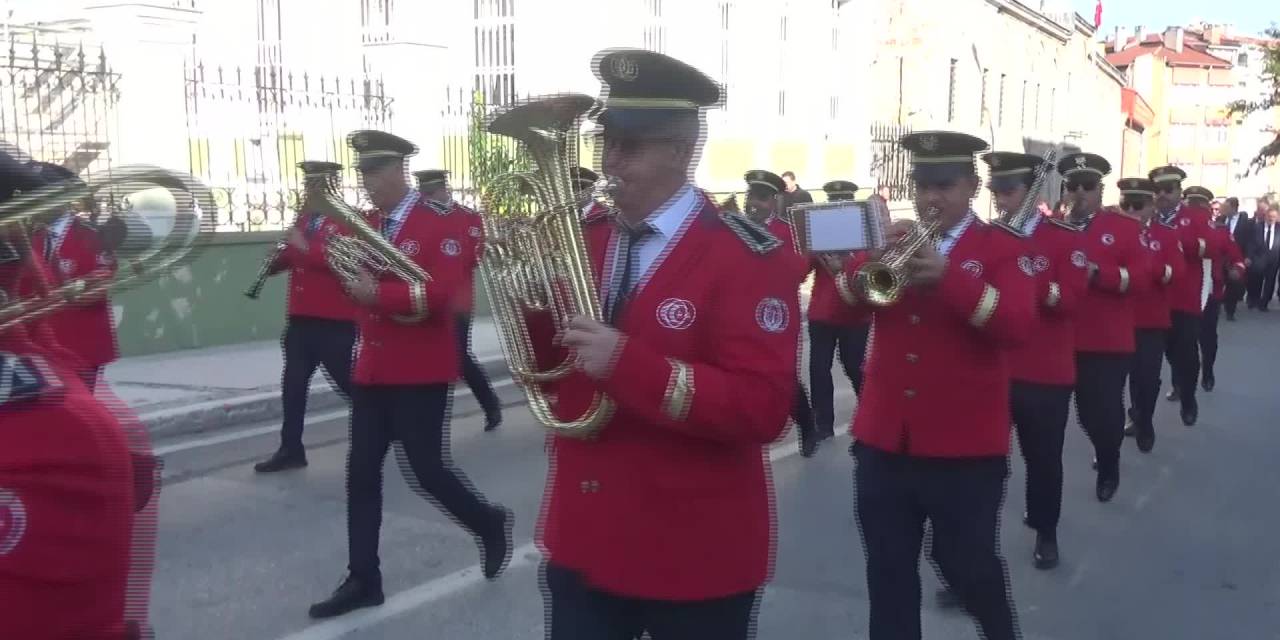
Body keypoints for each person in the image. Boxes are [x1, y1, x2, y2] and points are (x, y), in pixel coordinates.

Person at [528, 49, 804, 639]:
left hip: (692, 555)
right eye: (607, 144)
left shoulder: (748, 256)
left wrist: (627, 362)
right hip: (583, 539)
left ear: (680, 151)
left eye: (631, 147)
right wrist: (525, 302)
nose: (611, 162)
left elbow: (762, 409)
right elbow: (555, 368)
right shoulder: (585, 238)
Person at [307, 130, 512, 619]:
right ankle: (363, 578)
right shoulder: (366, 224)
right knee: (361, 473)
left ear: (400, 169)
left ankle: (487, 522)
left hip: (421, 367)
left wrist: (379, 296)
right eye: (363, 174)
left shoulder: (445, 221)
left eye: (376, 172)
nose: (368, 183)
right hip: (374, 366)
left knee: (426, 472)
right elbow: (333, 264)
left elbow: (442, 294)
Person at [839, 130, 1032, 640]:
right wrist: (865, 259)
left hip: (964, 449)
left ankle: (1000, 631)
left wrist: (950, 278)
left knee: (968, 566)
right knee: (887, 576)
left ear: (971, 185)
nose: (931, 198)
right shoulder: (898, 242)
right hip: (884, 442)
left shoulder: (1002, 248)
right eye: (923, 185)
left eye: (944, 185)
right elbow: (844, 305)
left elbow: (1016, 326)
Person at [0, 150, 139, 639]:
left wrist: (69, 289)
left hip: (77, 337)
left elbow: (100, 278)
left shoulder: (82, 234)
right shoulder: (37, 237)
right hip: (50, 336)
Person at [980, 151, 1086, 570]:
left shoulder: (1063, 238)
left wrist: (1025, 273)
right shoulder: (986, 239)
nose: (1002, 200)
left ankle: (1046, 530)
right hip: (994, 370)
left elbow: (1070, 300)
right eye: (996, 191)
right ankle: (971, 552)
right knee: (980, 465)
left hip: (1045, 373)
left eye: (1009, 191)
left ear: (1030, 193)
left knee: (1043, 460)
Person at [254, 161, 358, 473]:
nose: (309, 191)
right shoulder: (306, 219)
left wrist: (302, 246)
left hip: (334, 319)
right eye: (308, 185)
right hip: (301, 318)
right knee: (294, 386)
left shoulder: (346, 220)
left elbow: (342, 259)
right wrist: (276, 260)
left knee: (348, 384)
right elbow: (293, 255)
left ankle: (390, 422)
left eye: (316, 185)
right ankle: (291, 448)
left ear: (330, 187)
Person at [1063, 153, 1144, 502]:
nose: (1080, 192)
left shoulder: (1123, 229)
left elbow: (1141, 277)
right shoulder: (1054, 228)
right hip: (1064, 338)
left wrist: (1102, 275)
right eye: (1073, 186)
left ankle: (1109, 464)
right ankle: (1104, 447)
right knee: (1084, 414)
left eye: (1088, 186)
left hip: (1108, 340)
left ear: (1100, 189)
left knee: (1105, 411)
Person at [415, 168, 504, 431]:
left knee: (456, 357)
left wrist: (443, 248)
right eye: (425, 194)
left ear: (445, 189)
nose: (429, 198)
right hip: (423, 300)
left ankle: (490, 404)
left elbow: (474, 258)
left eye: (433, 193)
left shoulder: (467, 217)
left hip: (457, 302)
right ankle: (423, 420)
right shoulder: (417, 217)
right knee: (426, 358)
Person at [742, 169, 820, 456]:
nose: (754, 203)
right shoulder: (733, 226)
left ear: (774, 201)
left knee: (780, 372)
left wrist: (768, 253)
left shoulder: (788, 232)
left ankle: (806, 421)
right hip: (739, 309)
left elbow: (800, 270)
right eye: (751, 196)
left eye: (762, 198)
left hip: (775, 313)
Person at [26, 162, 118, 391]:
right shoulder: (29, 237)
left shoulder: (92, 235)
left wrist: (56, 278)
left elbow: (95, 290)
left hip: (81, 344)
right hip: (41, 347)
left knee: (79, 408)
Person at [1122, 178, 1182, 454]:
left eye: (1138, 205)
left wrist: (1153, 268)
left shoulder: (1167, 234)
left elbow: (1177, 272)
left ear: (1151, 206)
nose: (1132, 210)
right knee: (1115, 382)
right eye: (1127, 204)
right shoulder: (1113, 232)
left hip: (1151, 320)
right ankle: (1118, 430)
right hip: (1118, 320)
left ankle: (1144, 419)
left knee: (1147, 377)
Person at [807, 180, 870, 437]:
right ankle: (823, 424)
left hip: (853, 314)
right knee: (818, 369)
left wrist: (844, 265)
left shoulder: (864, 236)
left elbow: (866, 272)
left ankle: (870, 415)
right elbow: (801, 270)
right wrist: (810, 251)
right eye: (834, 205)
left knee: (855, 367)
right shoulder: (820, 232)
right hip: (822, 313)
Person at [1151, 165, 1212, 426]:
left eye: (1168, 189)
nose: (1162, 195)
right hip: (1152, 299)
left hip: (1184, 299)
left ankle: (1188, 397)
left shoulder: (1196, 216)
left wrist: (1177, 242)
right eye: (1157, 190)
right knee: (1148, 361)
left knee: (1184, 353)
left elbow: (1211, 245)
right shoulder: (1145, 215)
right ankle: (1141, 415)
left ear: (1179, 191)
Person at [1196, 187, 1246, 391]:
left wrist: (1237, 270)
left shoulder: (1220, 232)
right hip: (1183, 294)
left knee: (1208, 337)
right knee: (1181, 342)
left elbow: (1237, 258)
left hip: (1210, 292)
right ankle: (1180, 381)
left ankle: (1207, 370)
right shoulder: (1177, 229)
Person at [1218, 196, 1253, 320]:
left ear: (1233, 208)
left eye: (1226, 207)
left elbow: (1249, 241)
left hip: (1235, 258)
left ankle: (1230, 311)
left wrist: (1248, 256)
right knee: (1218, 282)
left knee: (1233, 284)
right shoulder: (1220, 220)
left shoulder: (1245, 223)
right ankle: (1216, 306)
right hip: (1221, 258)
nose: (1223, 210)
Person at [1250, 206, 1280, 311]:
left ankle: (1264, 303)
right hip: (1259, 257)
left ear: (1277, 218)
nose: (1271, 219)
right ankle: (1254, 300)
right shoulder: (1257, 227)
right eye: (1269, 216)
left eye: (1274, 217)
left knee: (1270, 282)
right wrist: (1250, 257)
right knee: (1257, 280)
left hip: (1274, 259)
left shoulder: (1279, 228)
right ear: (1265, 216)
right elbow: (1251, 243)